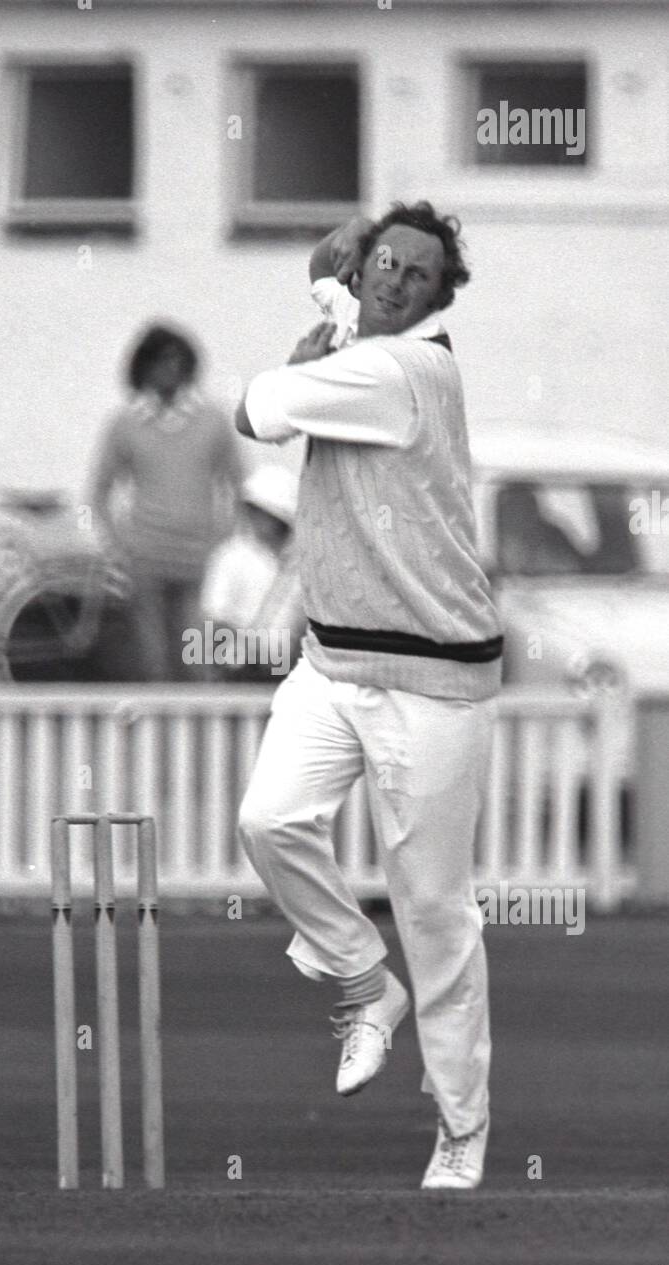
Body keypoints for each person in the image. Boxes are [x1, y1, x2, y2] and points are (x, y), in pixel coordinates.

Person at [235, 202, 503, 1191]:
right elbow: (285, 400)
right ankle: (360, 979)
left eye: (417, 272)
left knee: (434, 910)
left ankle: (462, 1134)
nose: (396, 279)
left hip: (433, 675)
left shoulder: (402, 370)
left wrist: (315, 336)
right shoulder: (355, 352)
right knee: (267, 820)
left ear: (439, 297)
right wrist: (326, 317)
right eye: (383, 261)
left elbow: (254, 412)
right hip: (334, 657)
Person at [88, 323, 243, 680]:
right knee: (152, 661)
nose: (168, 371)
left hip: (200, 561)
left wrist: (225, 539)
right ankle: (155, 736)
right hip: (145, 562)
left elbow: (239, 487)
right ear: (142, 368)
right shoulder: (125, 424)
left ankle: (205, 733)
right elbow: (99, 491)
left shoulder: (213, 422)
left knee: (198, 658)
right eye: (159, 362)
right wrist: (119, 546)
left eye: (177, 362)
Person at [200, 463, 302, 680]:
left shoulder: (303, 565)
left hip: (291, 672)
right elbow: (215, 619)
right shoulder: (230, 556)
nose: (256, 517)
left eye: (263, 511)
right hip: (241, 670)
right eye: (253, 510)